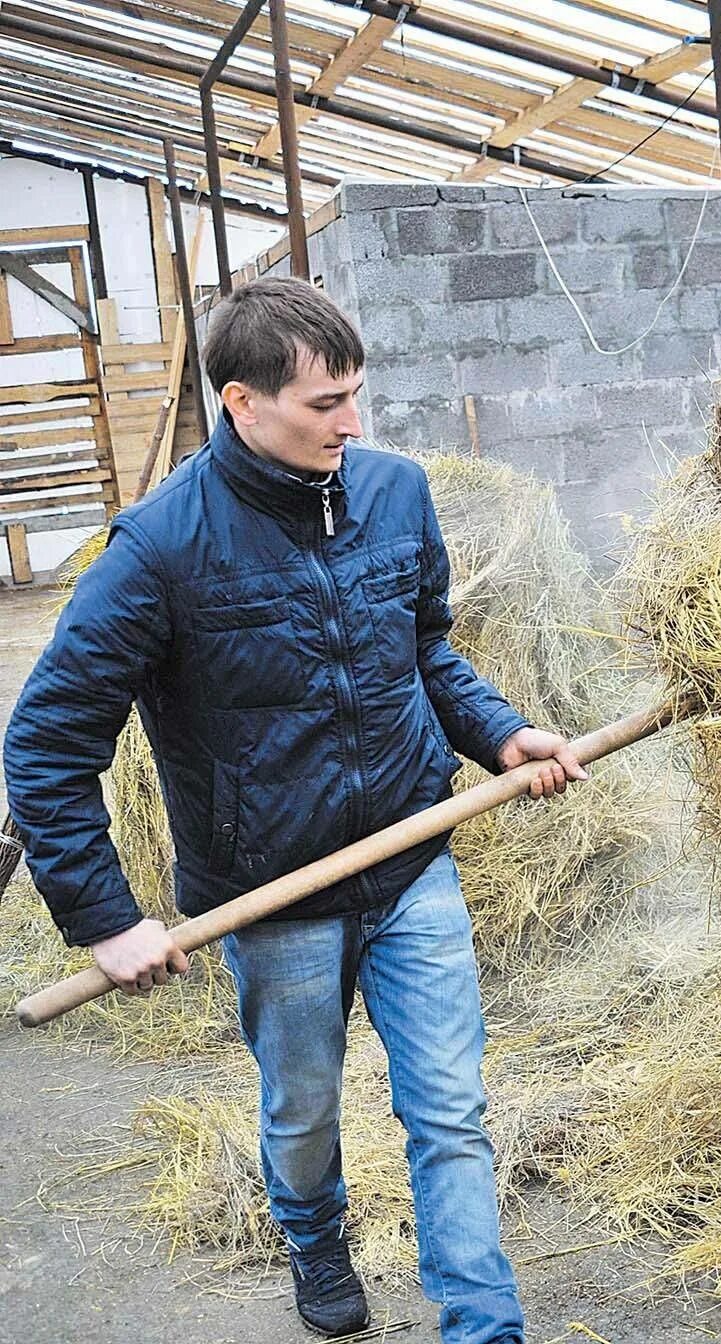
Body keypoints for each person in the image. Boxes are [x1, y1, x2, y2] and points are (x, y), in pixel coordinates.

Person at [3, 276, 584, 1343]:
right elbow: (44, 743)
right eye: (326, 404)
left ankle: (482, 1325)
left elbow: (424, 652)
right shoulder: (159, 549)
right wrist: (105, 918)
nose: (351, 424)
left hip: (412, 863)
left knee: (451, 1115)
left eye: (357, 394)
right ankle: (315, 1235)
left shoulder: (396, 492)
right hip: (272, 898)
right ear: (241, 403)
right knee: (305, 1115)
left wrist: (501, 733)